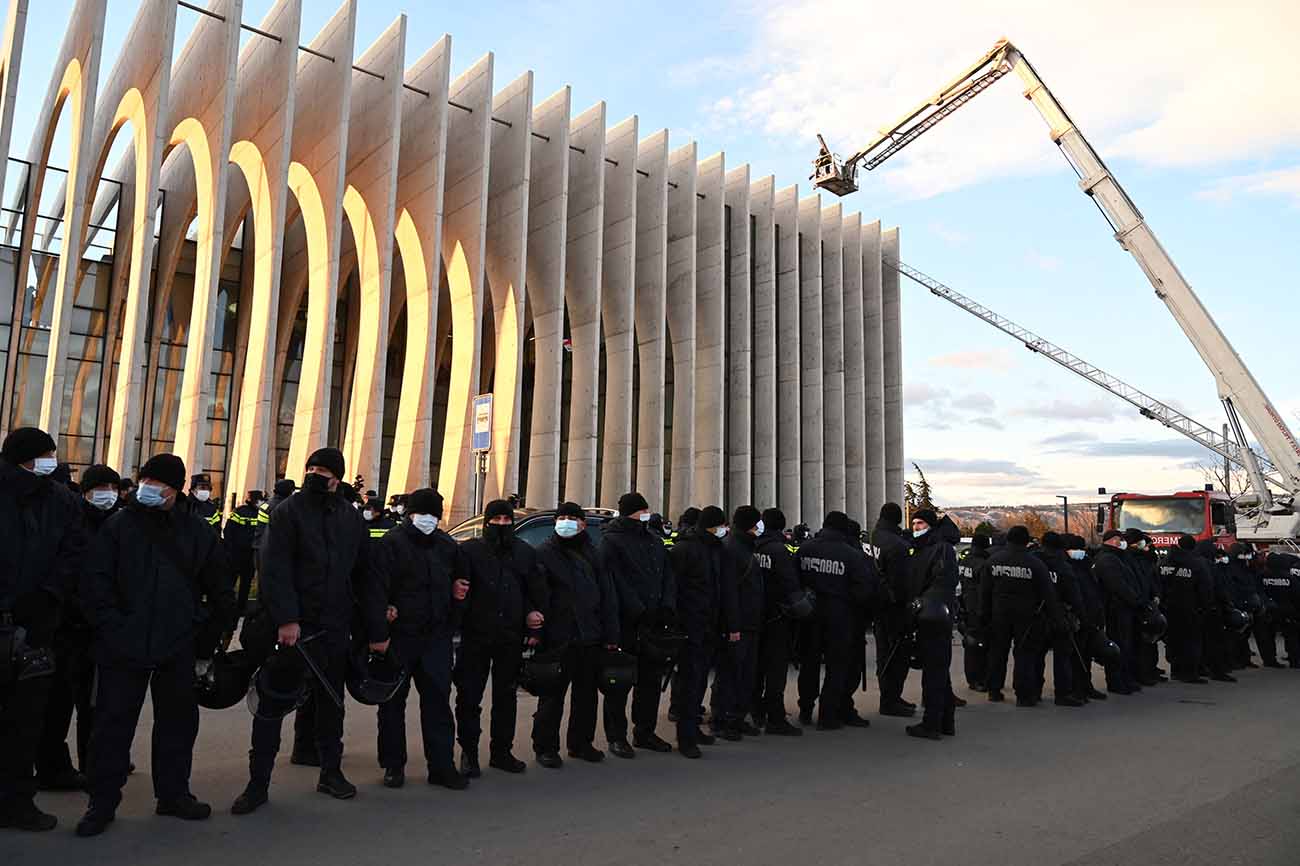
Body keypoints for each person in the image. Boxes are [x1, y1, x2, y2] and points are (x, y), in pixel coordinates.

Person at [77, 453, 234, 837]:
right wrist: (112, 626)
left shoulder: (197, 532)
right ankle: (102, 801)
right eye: (143, 478)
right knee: (112, 724)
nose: (145, 486)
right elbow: (95, 581)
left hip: (178, 643)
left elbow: (220, 590)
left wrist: (206, 641)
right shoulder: (118, 526)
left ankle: (174, 794)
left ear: (174, 489)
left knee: (177, 724)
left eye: (155, 481)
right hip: (123, 644)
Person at [231, 447, 380, 815]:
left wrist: (373, 627)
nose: (316, 474)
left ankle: (330, 772)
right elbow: (274, 567)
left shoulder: (350, 518)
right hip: (291, 630)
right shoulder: (287, 512)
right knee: (274, 702)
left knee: (331, 704)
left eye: (324, 470)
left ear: (338, 478)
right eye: (311, 467)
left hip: (333, 627)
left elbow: (365, 576)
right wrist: (286, 619)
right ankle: (257, 784)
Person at [0, 427, 85, 833]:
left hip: (38, 628)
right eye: (47, 453)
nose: (53, 459)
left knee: (26, 720)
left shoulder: (63, 502)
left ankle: (18, 801)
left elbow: (73, 556)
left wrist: (47, 599)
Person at [367, 488, 469, 790]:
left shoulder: (447, 545)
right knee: (392, 704)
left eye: (433, 514)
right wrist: (379, 633)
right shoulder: (391, 544)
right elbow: (375, 590)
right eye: (422, 513)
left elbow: (460, 585)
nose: (428, 519)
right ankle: (393, 765)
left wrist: (455, 610)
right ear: (410, 514)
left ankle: (441, 766)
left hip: (435, 638)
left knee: (438, 703)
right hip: (399, 638)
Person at [36, 465, 120, 793]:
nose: (108, 494)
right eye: (102, 487)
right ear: (85, 491)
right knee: (58, 704)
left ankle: (94, 764)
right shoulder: (72, 522)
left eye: (113, 487)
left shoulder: (118, 524)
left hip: (101, 630)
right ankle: (53, 767)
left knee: (96, 704)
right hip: (68, 628)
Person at [454, 499, 546, 777]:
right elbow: (459, 589)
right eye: (497, 521)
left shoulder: (525, 553)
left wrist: (533, 623)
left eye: (507, 521)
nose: (503, 525)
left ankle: (501, 751)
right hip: (476, 635)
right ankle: (468, 752)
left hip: (510, 635)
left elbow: (535, 592)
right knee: (469, 697)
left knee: (506, 697)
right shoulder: (469, 551)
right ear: (487, 523)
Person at [531, 502, 620, 768]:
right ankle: (545, 746)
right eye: (563, 517)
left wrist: (611, 634)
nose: (567, 522)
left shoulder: (594, 554)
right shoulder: (544, 553)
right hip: (557, 636)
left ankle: (581, 743)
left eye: (573, 518)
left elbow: (608, 597)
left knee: (586, 695)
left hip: (589, 634)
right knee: (552, 696)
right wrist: (536, 631)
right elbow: (537, 595)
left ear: (582, 524)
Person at [598, 492, 677, 757]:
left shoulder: (654, 541)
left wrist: (666, 605)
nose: (646, 513)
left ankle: (645, 731)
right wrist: (637, 609)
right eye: (642, 510)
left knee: (650, 681)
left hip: (653, 623)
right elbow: (613, 581)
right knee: (618, 682)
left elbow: (667, 575)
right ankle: (617, 737)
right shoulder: (611, 542)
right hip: (626, 624)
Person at [795, 511, 875, 730]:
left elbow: (795, 581)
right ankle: (827, 715)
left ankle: (805, 709)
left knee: (809, 665)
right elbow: (863, 591)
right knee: (836, 668)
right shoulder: (851, 555)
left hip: (809, 616)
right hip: (839, 618)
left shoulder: (805, 549)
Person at [669, 506, 736, 757]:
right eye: (721, 525)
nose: (724, 530)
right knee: (689, 682)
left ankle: (693, 729)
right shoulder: (685, 550)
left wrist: (729, 624)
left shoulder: (717, 549)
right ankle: (686, 738)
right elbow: (674, 590)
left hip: (710, 625)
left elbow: (724, 590)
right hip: (690, 626)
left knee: (698, 682)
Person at [980, 525, 1064, 706]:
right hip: (1027, 616)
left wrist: (982, 616)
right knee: (1025, 654)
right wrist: (1056, 618)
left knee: (997, 652)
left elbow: (984, 591)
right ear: (1026, 541)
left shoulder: (993, 560)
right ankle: (1024, 695)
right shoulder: (1034, 563)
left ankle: (994, 690)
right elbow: (1048, 593)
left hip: (999, 613)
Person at [710, 505, 764, 740]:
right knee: (730, 673)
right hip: (738, 624)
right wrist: (733, 626)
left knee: (744, 674)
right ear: (751, 525)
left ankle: (737, 717)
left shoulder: (742, 546)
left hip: (748, 622)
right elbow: (730, 593)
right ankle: (722, 720)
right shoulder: (734, 550)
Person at [906, 509, 958, 739]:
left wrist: (924, 602)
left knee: (934, 671)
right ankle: (945, 720)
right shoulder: (929, 546)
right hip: (931, 613)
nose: (915, 527)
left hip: (934, 615)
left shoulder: (940, 547)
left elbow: (940, 581)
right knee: (938, 670)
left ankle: (932, 723)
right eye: (914, 523)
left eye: (920, 523)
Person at [751, 507, 803, 735]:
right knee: (775, 670)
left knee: (756, 669)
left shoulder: (752, 546)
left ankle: (756, 711)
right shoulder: (779, 551)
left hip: (755, 616)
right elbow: (790, 585)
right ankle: (775, 716)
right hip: (777, 618)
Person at [869, 503, 916, 718]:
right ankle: (890, 699)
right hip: (894, 607)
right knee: (897, 655)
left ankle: (889, 697)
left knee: (883, 653)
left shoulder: (873, 537)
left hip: (877, 603)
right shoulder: (898, 545)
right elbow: (902, 584)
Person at [1035, 532, 1086, 707]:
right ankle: (1063, 693)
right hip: (1060, 615)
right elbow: (1074, 594)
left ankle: (1033, 692)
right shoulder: (1063, 566)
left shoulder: (1034, 561)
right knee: (1062, 656)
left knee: (1036, 655)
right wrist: (1081, 614)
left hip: (1036, 615)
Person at [1159, 534, 1214, 683]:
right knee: (1191, 642)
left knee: (1174, 641)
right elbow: (1205, 588)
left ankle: (1176, 671)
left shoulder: (1165, 562)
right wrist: (1205, 606)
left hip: (1169, 608)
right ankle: (1190, 673)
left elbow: (1158, 584)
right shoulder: (1197, 564)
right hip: (1191, 608)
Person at [1094, 529, 1142, 694]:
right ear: (1113, 540)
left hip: (1122, 608)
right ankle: (1117, 681)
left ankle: (1125, 678)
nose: (1123, 542)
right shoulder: (1107, 559)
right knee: (1118, 645)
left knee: (1125, 645)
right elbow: (1117, 585)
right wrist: (1134, 599)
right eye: (1120, 539)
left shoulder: (1117, 557)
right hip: (1115, 609)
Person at [1064, 534, 1108, 700]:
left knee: (1086, 654)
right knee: (1075, 656)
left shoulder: (1086, 565)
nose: (1080, 552)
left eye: (1082, 549)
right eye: (1076, 549)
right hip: (1075, 618)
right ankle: (1075, 688)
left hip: (1091, 615)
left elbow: (1094, 591)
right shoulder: (1065, 566)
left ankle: (1085, 686)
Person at [958, 533, 992, 691]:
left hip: (965, 606)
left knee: (970, 645)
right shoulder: (983, 564)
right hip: (979, 609)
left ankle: (972, 678)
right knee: (980, 646)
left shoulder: (965, 560)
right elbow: (985, 590)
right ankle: (980, 679)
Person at [223, 490, 263, 620]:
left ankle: (241, 608)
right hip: (236, 554)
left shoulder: (261, 513)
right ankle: (227, 606)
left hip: (250, 555)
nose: (260, 502)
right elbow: (229, 530)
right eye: (258, 500)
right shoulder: (240, 511)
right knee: (230, 581)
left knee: (246, 583)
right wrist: (230, 549)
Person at [1200, 542, 1237, 682]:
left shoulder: (1199, 564)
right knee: (1216, 642)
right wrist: (1227, 603)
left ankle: (1205, 668)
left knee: (1205, 641)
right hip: (1214, 608)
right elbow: (1218, 588)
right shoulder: (1210, 567)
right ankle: (1218, 670)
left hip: (1202, 608)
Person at [1261, 551, 1300, 668]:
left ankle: (1269, 660)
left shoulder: (1262, 576)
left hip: (1270, 610)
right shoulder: (1289, 578)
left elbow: (1259, 591)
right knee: (1291, 635)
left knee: (1268, 636)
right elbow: (1297, 595)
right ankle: (1294, 660)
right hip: (1288, 611)